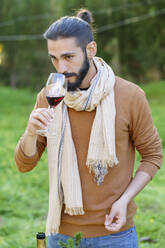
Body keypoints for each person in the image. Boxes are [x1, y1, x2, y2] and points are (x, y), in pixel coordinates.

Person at [14, 9, 162, 248]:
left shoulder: (130, 96)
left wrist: (125, 201)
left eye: (68, 57)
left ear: (90, 50)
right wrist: (31, 132)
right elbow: (24, 165)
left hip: (115, 235)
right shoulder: (49, 96)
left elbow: (153, 156)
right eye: (54, 58)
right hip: (60, 234)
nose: (60, 68)